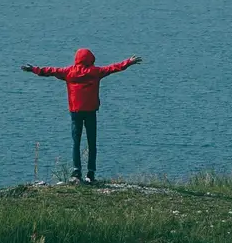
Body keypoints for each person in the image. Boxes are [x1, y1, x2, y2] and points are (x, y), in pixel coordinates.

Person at [21, 48, 142, 184]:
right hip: (91, 112)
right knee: (92, 143)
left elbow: (50, 71)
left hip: (75, 112)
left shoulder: (68, 72)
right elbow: (113, 68)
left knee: (76, 143)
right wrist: (128, 62)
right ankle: (91, 173)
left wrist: (33, 69)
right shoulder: (96, 72)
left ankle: (76, 171)